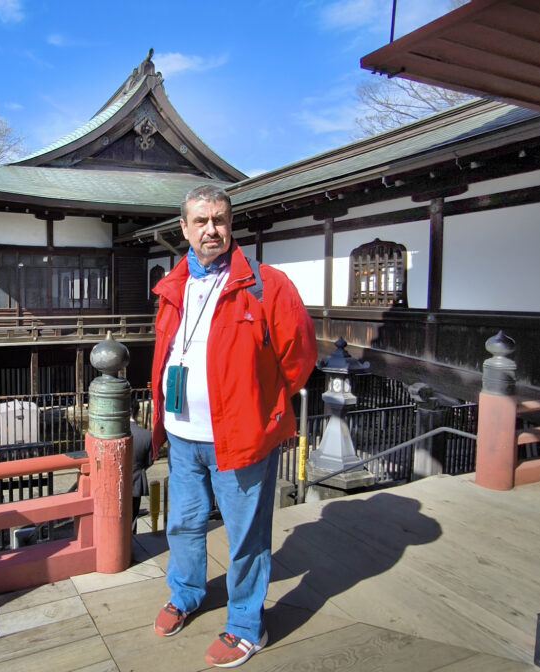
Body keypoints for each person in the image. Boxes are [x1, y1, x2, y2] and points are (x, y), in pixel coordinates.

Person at [149, 184, 317, 667]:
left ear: (230, 224)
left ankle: (246, 624)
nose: (211, 229)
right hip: (183, 435)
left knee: (246, 536)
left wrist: (263, 407)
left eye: (219, 220)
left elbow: (300, 357)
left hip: (241, 438)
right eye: (201, 221)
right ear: (184, 228)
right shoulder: (173, 285)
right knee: (183, 523)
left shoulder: (267, 285)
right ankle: (185, 592)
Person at [130, 398, 153, 533]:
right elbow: (149, 461)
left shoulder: (111, 435)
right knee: (133, 516)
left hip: (114, 482)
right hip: (135, 480)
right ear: (138, 412)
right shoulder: (146, 435)